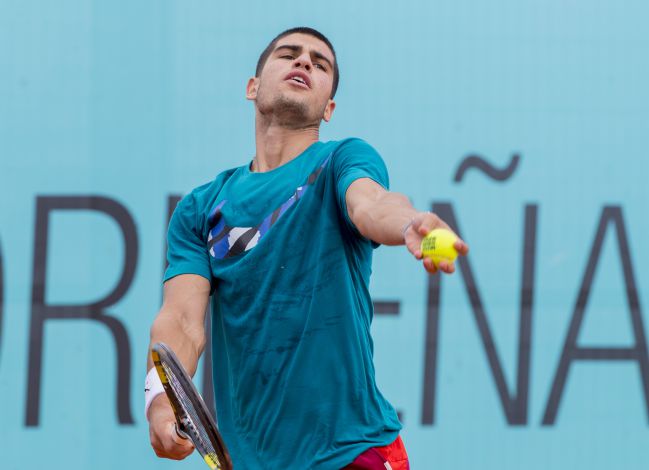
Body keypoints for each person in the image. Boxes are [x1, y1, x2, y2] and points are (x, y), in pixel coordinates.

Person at [145, 26, 469, 470]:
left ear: (329, 107)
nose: (304, 63)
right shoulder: (200, 209)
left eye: (320, 64)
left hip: (353, 453)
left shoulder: (339, 161)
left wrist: (410, 223)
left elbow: (371, 203)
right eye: (289, 54)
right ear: (252, 86)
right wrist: (161, 400)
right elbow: (181, 320)